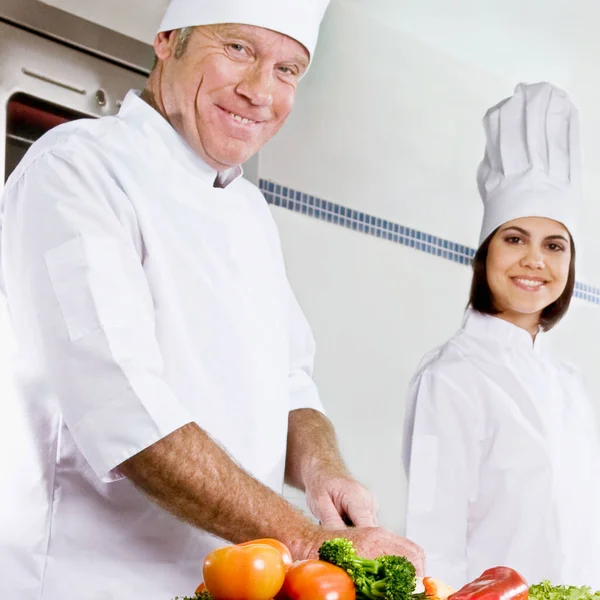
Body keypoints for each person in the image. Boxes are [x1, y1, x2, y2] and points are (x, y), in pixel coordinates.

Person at [0, 1, 424, 598]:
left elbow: (291, 382)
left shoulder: (248, 210)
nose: (260, 93)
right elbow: (124, 414)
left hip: (224, 583)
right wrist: (311, 544)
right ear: (168, 41)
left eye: (288, 70)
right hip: (87, 579)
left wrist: (323, 469)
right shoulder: (76, 170)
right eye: (239, 50)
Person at [402, 82, 600, 588]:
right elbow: (435, 540)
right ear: (486, 253)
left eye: (555, 245)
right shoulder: (451, 376)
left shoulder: (569, 384)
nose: (535, 259)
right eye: (515, 239)